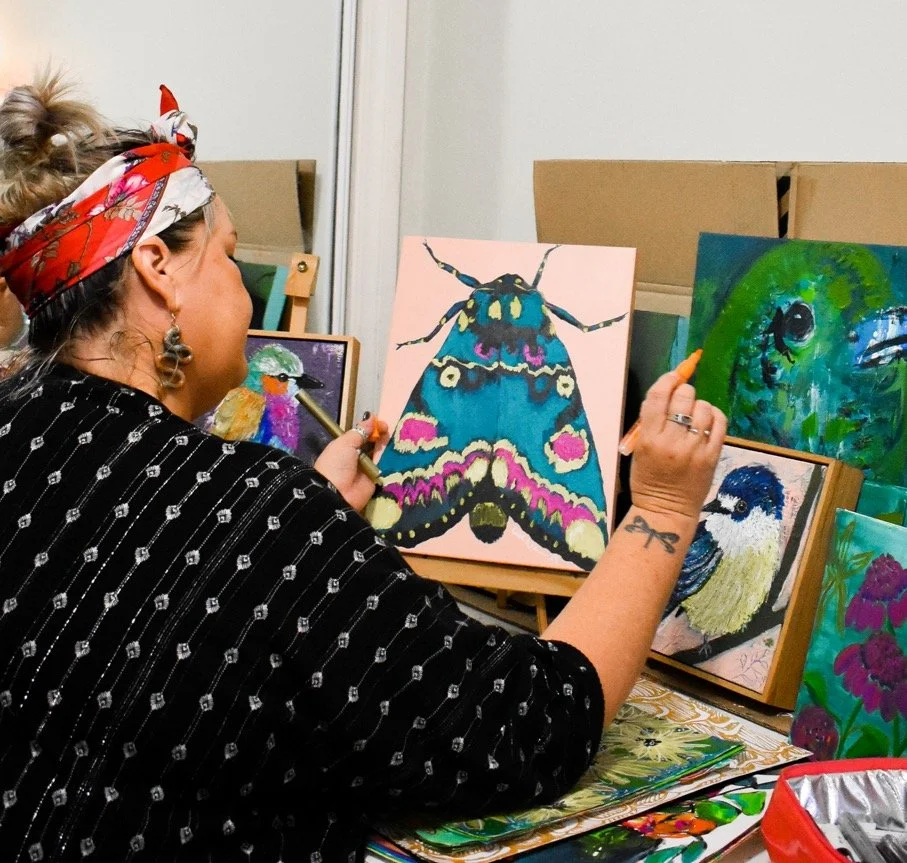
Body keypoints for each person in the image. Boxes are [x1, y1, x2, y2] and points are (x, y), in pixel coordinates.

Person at [0, 74, 726, 863]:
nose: (246, 295)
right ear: (157, 266)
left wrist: (307, 529)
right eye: (232, 257)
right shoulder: (261, 516)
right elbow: (528, 724)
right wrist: (661, 503)